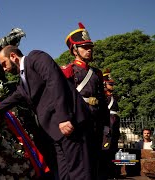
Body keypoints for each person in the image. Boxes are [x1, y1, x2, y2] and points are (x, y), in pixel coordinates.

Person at [0, 45, 92, 180]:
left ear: (13, 56)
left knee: (78, 173)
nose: (4, 69)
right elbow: (7, 103)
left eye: (4, 64)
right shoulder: (23, 83)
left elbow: (55, 82)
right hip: (56, 132)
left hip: (69, 123)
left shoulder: (36, 58)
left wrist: (64, 118)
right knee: (64, 175)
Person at [61, 22, 110, 180]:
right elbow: (62, 99)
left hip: (95, 125)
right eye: (84, 47)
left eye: (90, 47)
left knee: (95, 166)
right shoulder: (68, 71)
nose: (89, 50)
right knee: (81, 167)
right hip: (79, 125)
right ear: (74, 50)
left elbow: (102, 102)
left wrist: (106, 128)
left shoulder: (97, 73)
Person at [102, 69, 121, 178]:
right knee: (106, 150)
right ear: (104, 83)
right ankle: (105, 173)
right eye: (110, 83)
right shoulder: (103, 97)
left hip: (114, 125)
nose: (112, 85)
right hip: (108, 125)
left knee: (113, 149)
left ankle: (113, 172)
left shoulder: (112, 96)